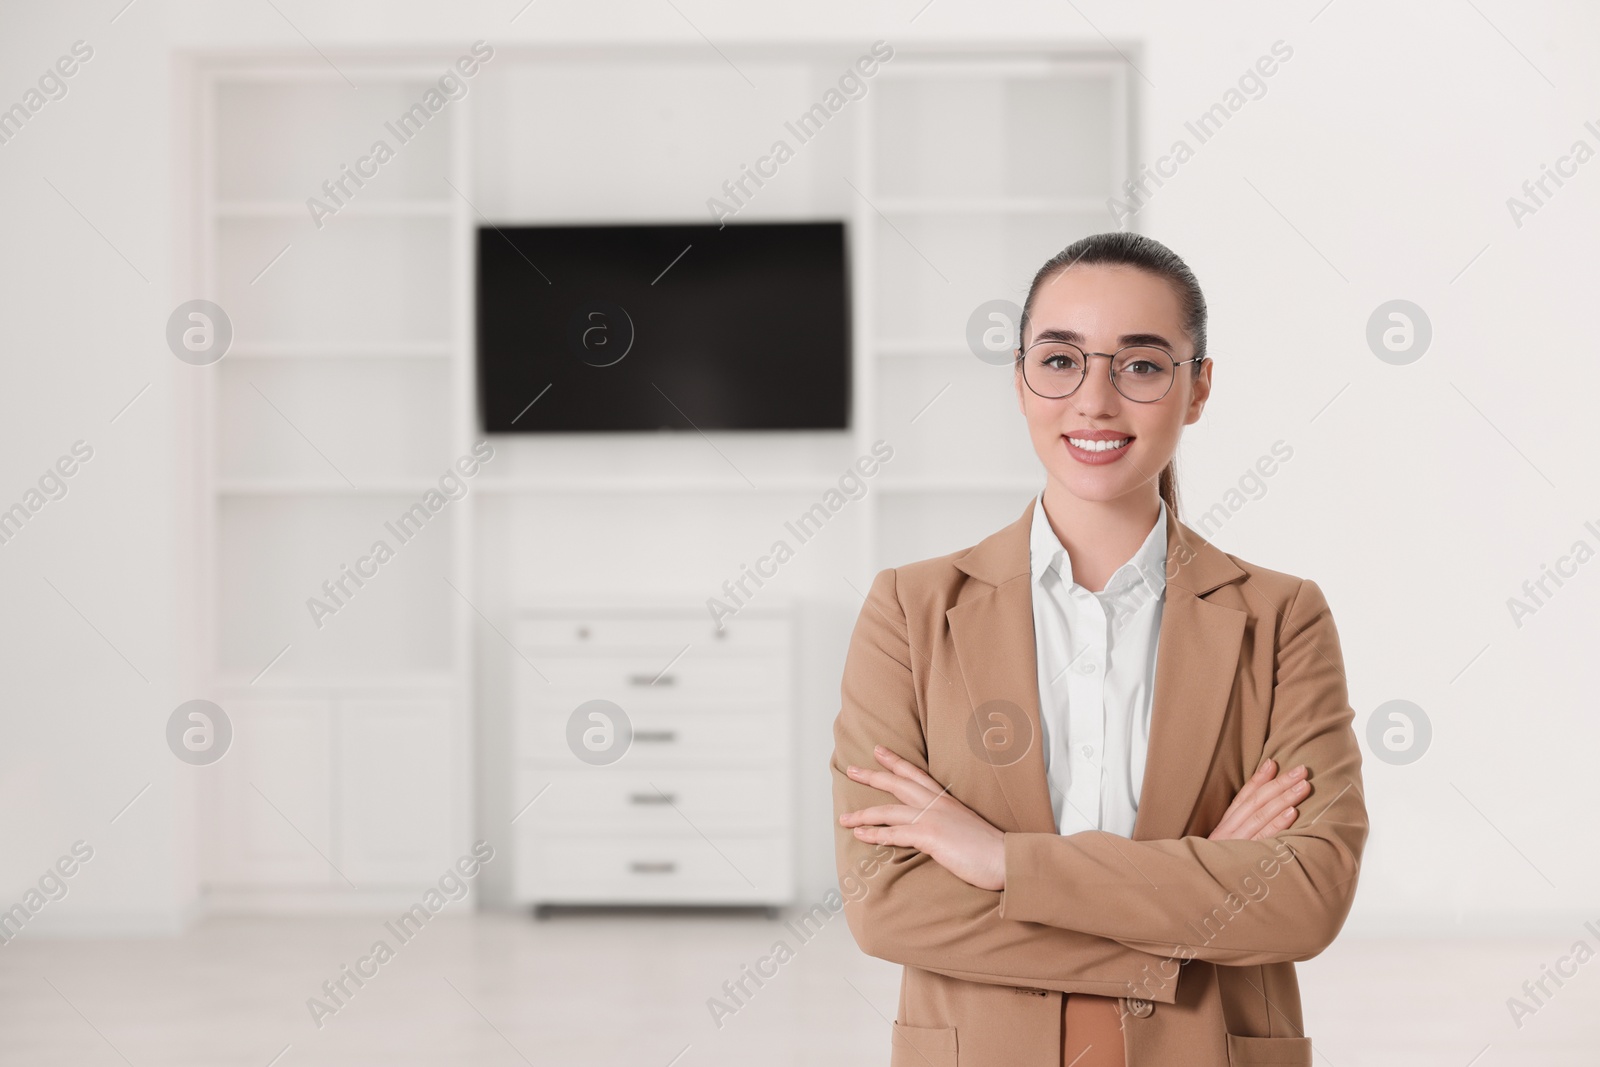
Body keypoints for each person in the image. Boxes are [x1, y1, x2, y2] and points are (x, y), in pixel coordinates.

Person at [830, 232, 1367, 1067]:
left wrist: (1001, 861)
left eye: (1142, 366)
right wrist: (1200, 900)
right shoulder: (911, 610)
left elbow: (1304, 901)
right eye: (1060, 360)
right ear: (1019, 380)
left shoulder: (1281, 618)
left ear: (1198, 389)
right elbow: (886, 903)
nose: (1094, 401)